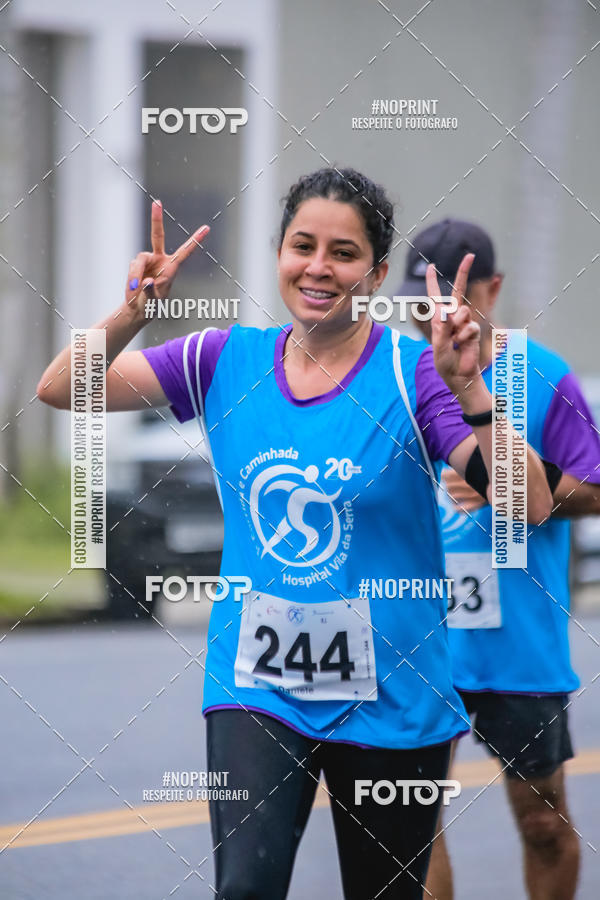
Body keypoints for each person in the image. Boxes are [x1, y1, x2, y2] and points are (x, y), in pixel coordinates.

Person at [37, 171, 553, 899]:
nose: (318, 267)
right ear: (278, 252)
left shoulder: (416, 376)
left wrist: (471, 390)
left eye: (344, 253)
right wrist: (131, 312)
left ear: (375, 275)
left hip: (394, 694)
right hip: (259, 685)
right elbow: (62, 388)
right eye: (302, 245)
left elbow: (528, 504)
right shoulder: (223, 359)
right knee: (245, 888)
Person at [398, 218, 600, 900]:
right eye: (423, 301)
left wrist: (514, 480)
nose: (439, 316)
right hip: (421, 638)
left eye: (456, 296)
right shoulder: (400, 372)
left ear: (493, 287)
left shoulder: (541, 374)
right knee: (412, 827)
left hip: (519, 641)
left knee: (542, 824)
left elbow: (595, 490)